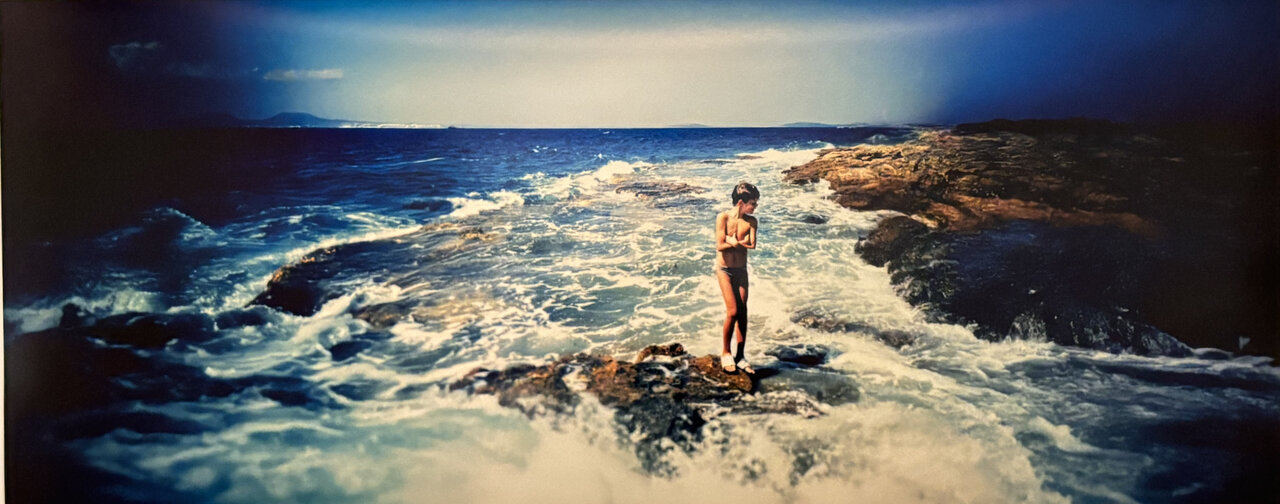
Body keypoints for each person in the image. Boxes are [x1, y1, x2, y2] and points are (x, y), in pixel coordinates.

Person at [715, 181, 759, 373]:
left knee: (742, 312)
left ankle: (740, 356)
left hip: (741, 271)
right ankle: (726, 353)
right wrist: (736, 243)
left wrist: (733, 242)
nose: (755, 207)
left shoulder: (751, 221)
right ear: (741, 202)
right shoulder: (723, 217)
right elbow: (720, 246)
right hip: (724, 271)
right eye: (753, 203)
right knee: (732, 312)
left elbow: (752, 245)